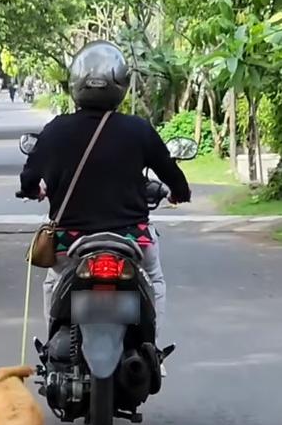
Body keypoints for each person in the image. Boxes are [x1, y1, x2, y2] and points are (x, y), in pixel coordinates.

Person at [19, 41, 191, 360]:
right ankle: (151, 349)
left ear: (75, 83)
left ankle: (52, 348)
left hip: (69, 244)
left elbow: (28, 179)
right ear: (120, 84)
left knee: (53, 281)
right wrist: (179, 192)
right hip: (132, 240)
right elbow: (172, 174)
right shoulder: (138, 129)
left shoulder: (56, 130)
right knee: (153, 280)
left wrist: (35, 191)